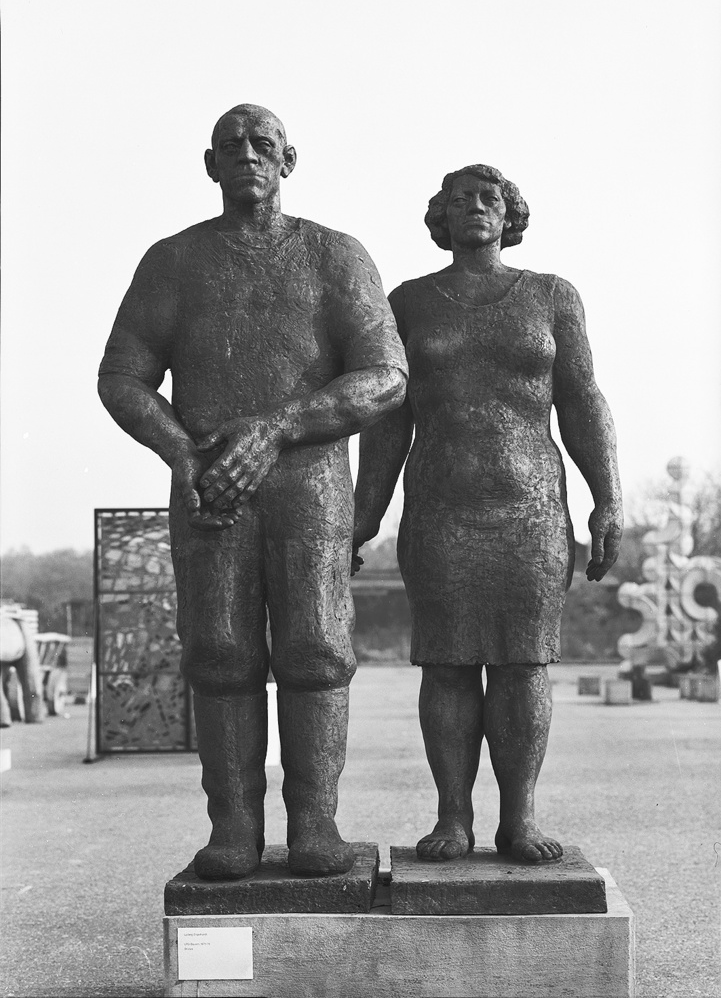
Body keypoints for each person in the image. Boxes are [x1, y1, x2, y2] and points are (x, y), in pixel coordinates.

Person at [98, 104, 408, 880]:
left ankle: (314, 824)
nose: (247, 154)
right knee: (219, 654)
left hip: (309, 484)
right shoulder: (174, 262)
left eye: (262, 143)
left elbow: (385, 375)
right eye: (230, 145)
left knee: (316, 651)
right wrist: (180, 450)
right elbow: (122, 375)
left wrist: (277, 428)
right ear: (209, 164)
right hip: (211, 486)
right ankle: (233, 826)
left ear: (288, 159)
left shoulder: (334, 256)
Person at [353, 164, 622, 863]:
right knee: (445, 663)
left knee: (523, 664)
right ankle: (453, 817)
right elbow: (387, 421)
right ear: (439, 217)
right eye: (458, 200)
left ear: (510, 214)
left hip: (530, 513)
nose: (473, 207)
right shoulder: (408, 303)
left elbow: (582, 400)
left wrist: (608, 497)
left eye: (488, 197)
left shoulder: (551, 296)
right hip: (442, 511)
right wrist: (363, 515)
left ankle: (519, 819)